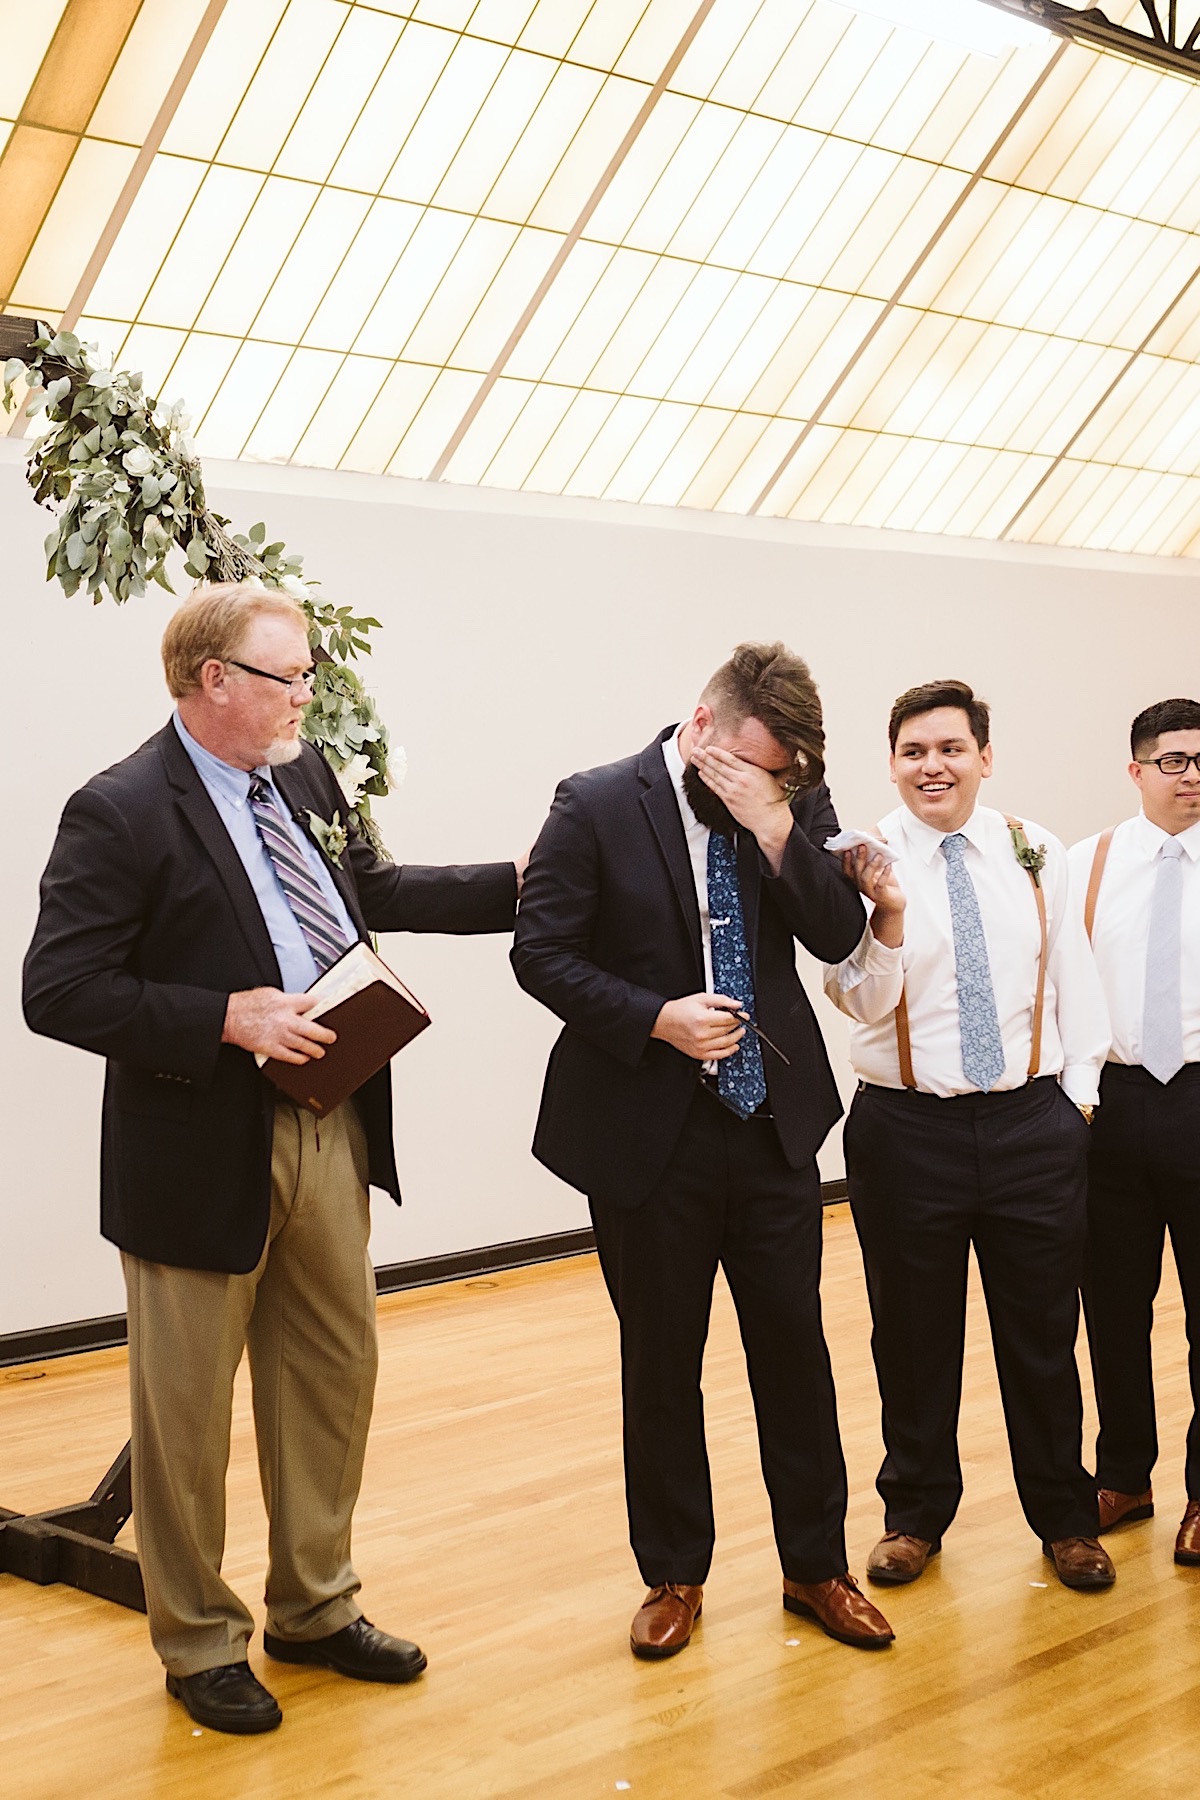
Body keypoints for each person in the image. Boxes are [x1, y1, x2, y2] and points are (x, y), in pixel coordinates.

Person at [23, 583, 521, 1735]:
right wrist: (224, 1017)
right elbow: (56, 989)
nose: (307, 694)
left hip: (330, 1121)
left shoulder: (302, 777)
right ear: (215, 682)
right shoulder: (119, 809)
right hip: (197, 1147)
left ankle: (315, 1607)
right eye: (287, 676)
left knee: (332, 1374)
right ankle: (197, 1640)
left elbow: (376, 894)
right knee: (187, 1415)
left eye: (304, 675)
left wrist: (521, 879)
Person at [511, 642, 894, 1659]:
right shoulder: (593, 803)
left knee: (796, 1357)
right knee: (661, 1362)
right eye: (744, 768)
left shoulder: (788, 796)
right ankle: (674, 1573)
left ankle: (817, 1565)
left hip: (772, 1134)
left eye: (781, 775)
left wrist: (778, 828)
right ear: (699, 728)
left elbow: (831, 933)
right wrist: (653, 1019)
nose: (761, 785)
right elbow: (540, 955)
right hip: (647, 1140)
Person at [825, 679, 1114, 1592]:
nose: (932, 766)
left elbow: (1072, 967)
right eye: (913, 751)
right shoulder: (859, 862)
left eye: (950, 748)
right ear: (894, 764)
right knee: (912, 1334)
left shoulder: (1036, 850)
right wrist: (885, 918)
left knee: (1041, 1331)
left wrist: (1077, 1098)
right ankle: (913, 1515)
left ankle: (1065, 1518)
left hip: (1032, 1123)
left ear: (985, 757)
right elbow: (860, 999)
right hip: (907, 1129)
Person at [1069, 698, 1200, 1561]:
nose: (1192, 777)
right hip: (1109, 1109)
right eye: (1175, 762)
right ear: (1136, 771)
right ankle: (1123, 1474)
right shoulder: (1086, 863)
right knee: (1112, 1307)